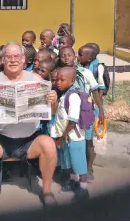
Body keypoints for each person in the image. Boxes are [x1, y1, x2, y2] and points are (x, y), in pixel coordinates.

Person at [0, 42, 59, 210]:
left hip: (29, 140)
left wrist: (53, 102)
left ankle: (47, 191)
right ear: (3, 60)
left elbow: (51, 112)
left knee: (48, 144)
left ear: (24, 59)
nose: (12, 60)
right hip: (1, 140)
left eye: (16, 56)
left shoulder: (35, 79)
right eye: (8, 57)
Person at [55, 67, 89, 200]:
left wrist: (64, 134)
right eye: (57, 79)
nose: (58, 82)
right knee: (69, 161)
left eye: (62, 80)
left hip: (74, 137)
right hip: (66, 137)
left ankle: (83, 188)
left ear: (72, 81)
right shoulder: (64, 95)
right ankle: (74, 182)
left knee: (79, 162)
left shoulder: (73, 96)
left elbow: (73, 120)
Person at [77, 45, 106, 181]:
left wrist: (100, 110)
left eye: (80, 55)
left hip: (90, 111)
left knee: (89, 142)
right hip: (78, 112)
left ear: (89, 57)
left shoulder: (95, 69)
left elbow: (98, 91)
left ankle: (89, 168)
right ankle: (80, 167)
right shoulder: (77, 70)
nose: (78, 57)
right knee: (80, 141)